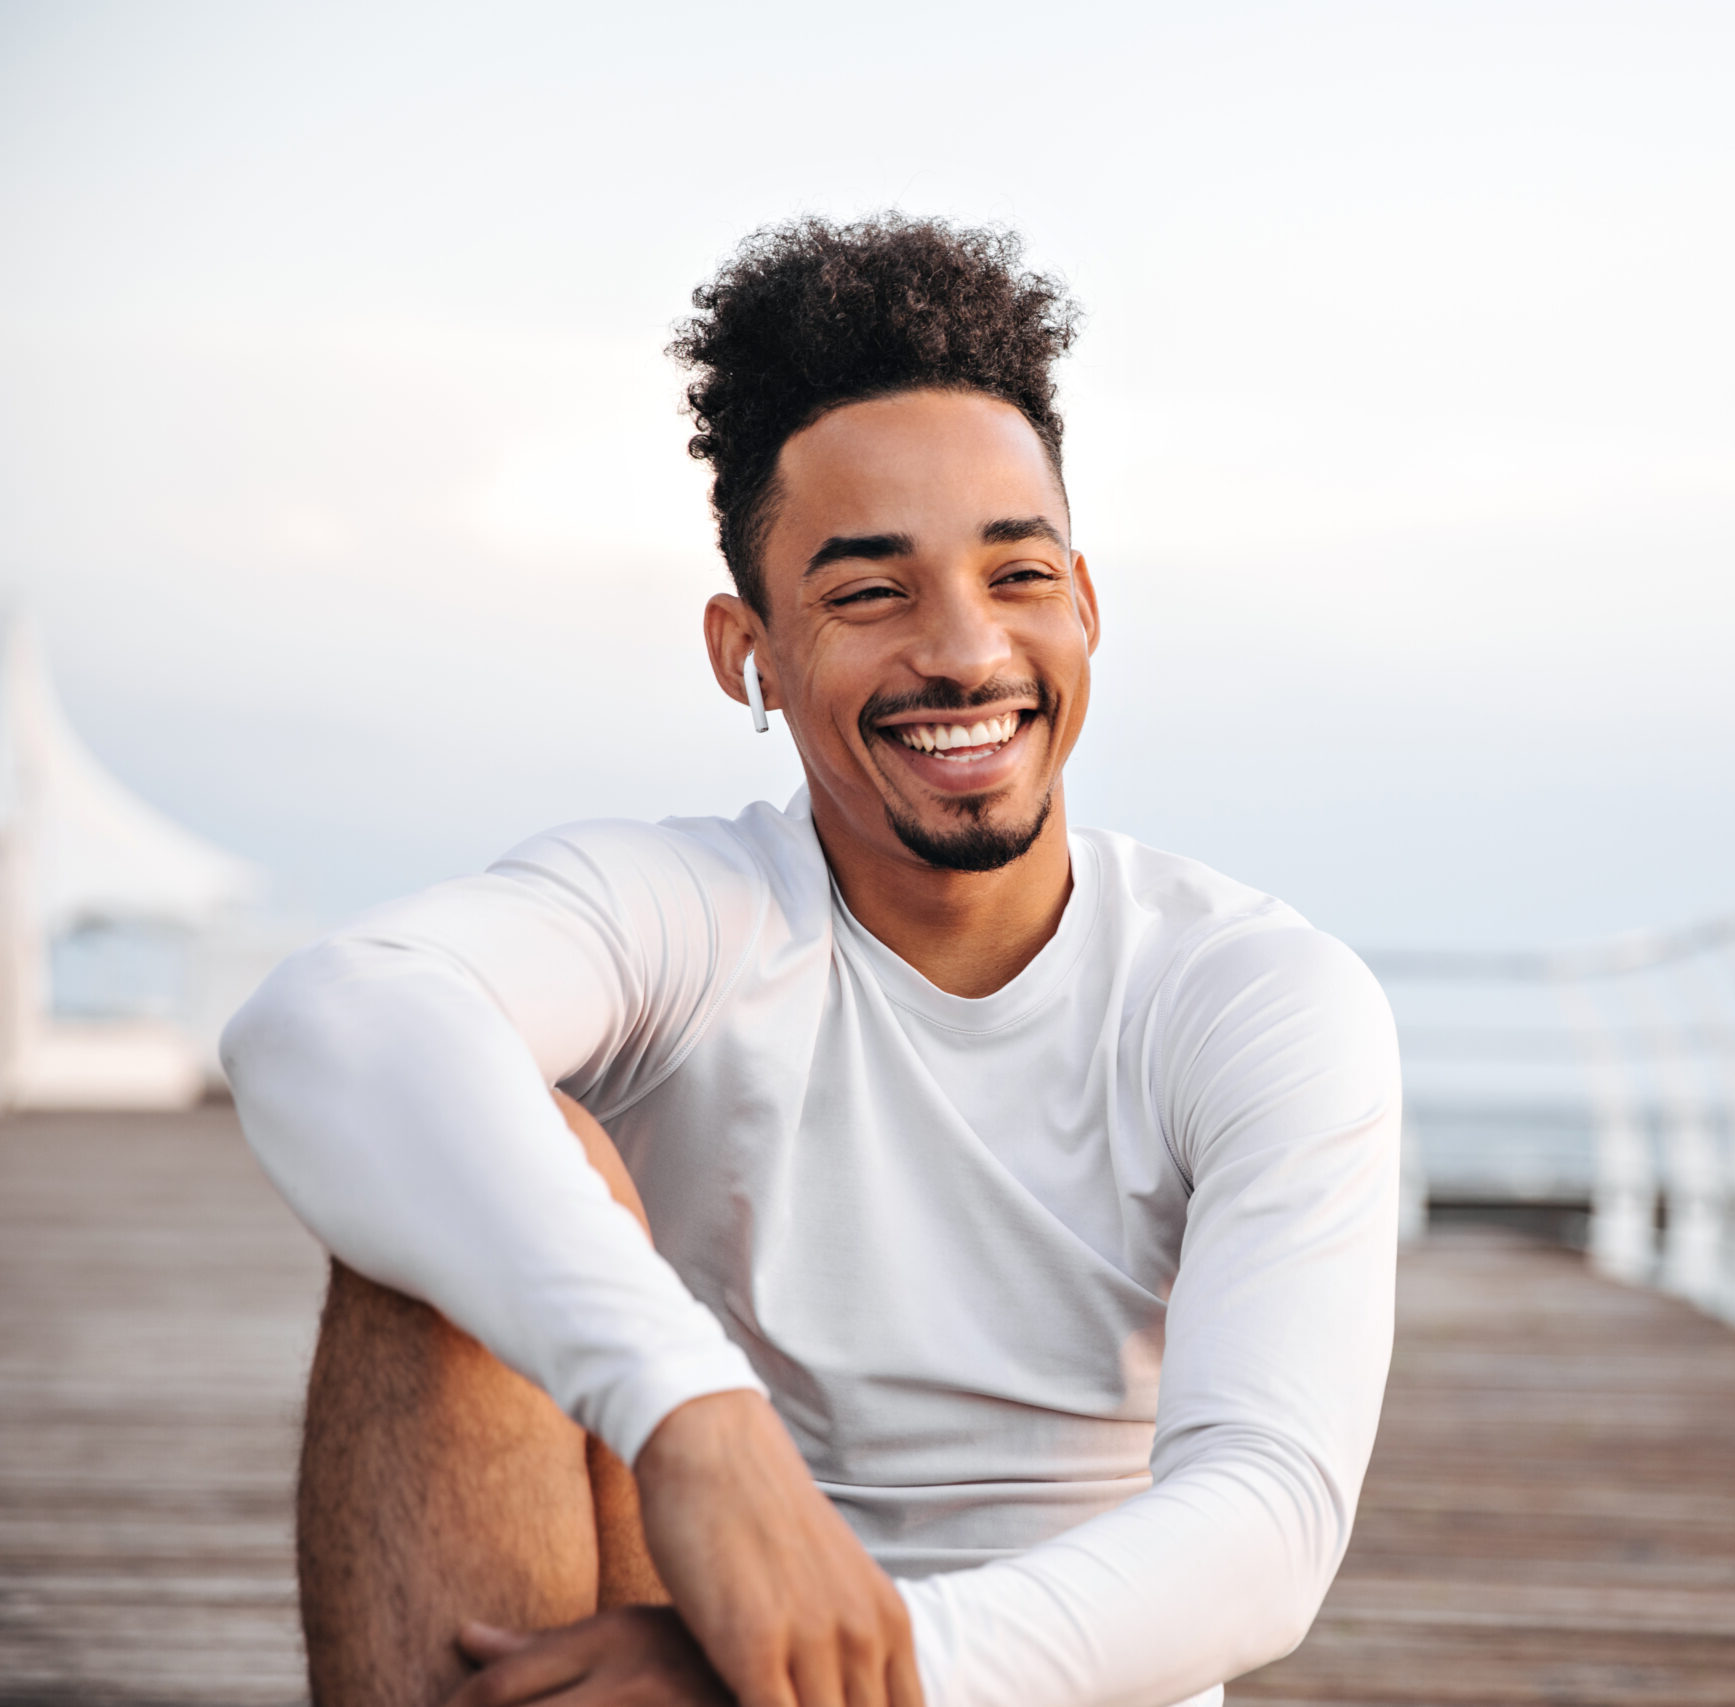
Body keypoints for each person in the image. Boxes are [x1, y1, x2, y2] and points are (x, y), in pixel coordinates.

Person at [222, 215, 1403, 1707]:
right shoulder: (695, 915)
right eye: (869, 591)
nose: (968, 651)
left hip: (987, 1689)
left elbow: (1268, 1529)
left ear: (1086, 604)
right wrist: (691, 1417)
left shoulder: (1245, 994)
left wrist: (823, 1674)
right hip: (657, 1601)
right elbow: (325, 1023)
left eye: (1018, 574)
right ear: (748, 653)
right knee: (478, 1189)